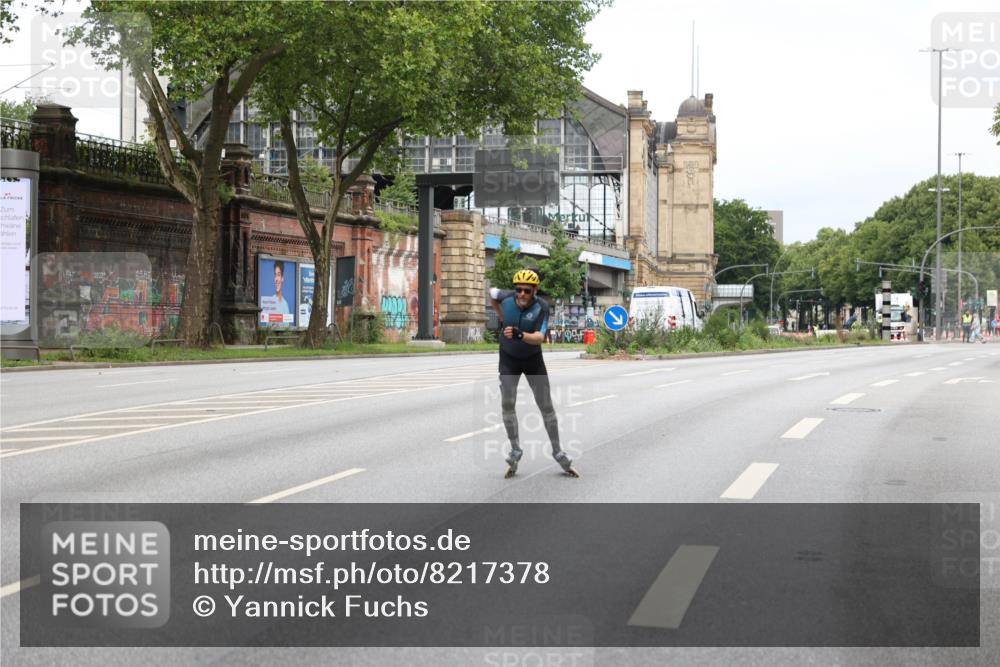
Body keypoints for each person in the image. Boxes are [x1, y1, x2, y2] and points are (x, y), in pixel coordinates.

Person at [489, 269, 578, 479]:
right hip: (508, 360)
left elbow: (539, 337)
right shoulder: (506, 297)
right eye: (518, 289)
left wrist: (520, 335)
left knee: (546, 406)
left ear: (535, 290)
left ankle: (558, 452)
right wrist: (502, 318)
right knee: (507, 404)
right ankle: (515, 449)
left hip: (532, 360)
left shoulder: (542, 307)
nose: (521, 294)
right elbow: (492, 293)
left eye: (526, 291)